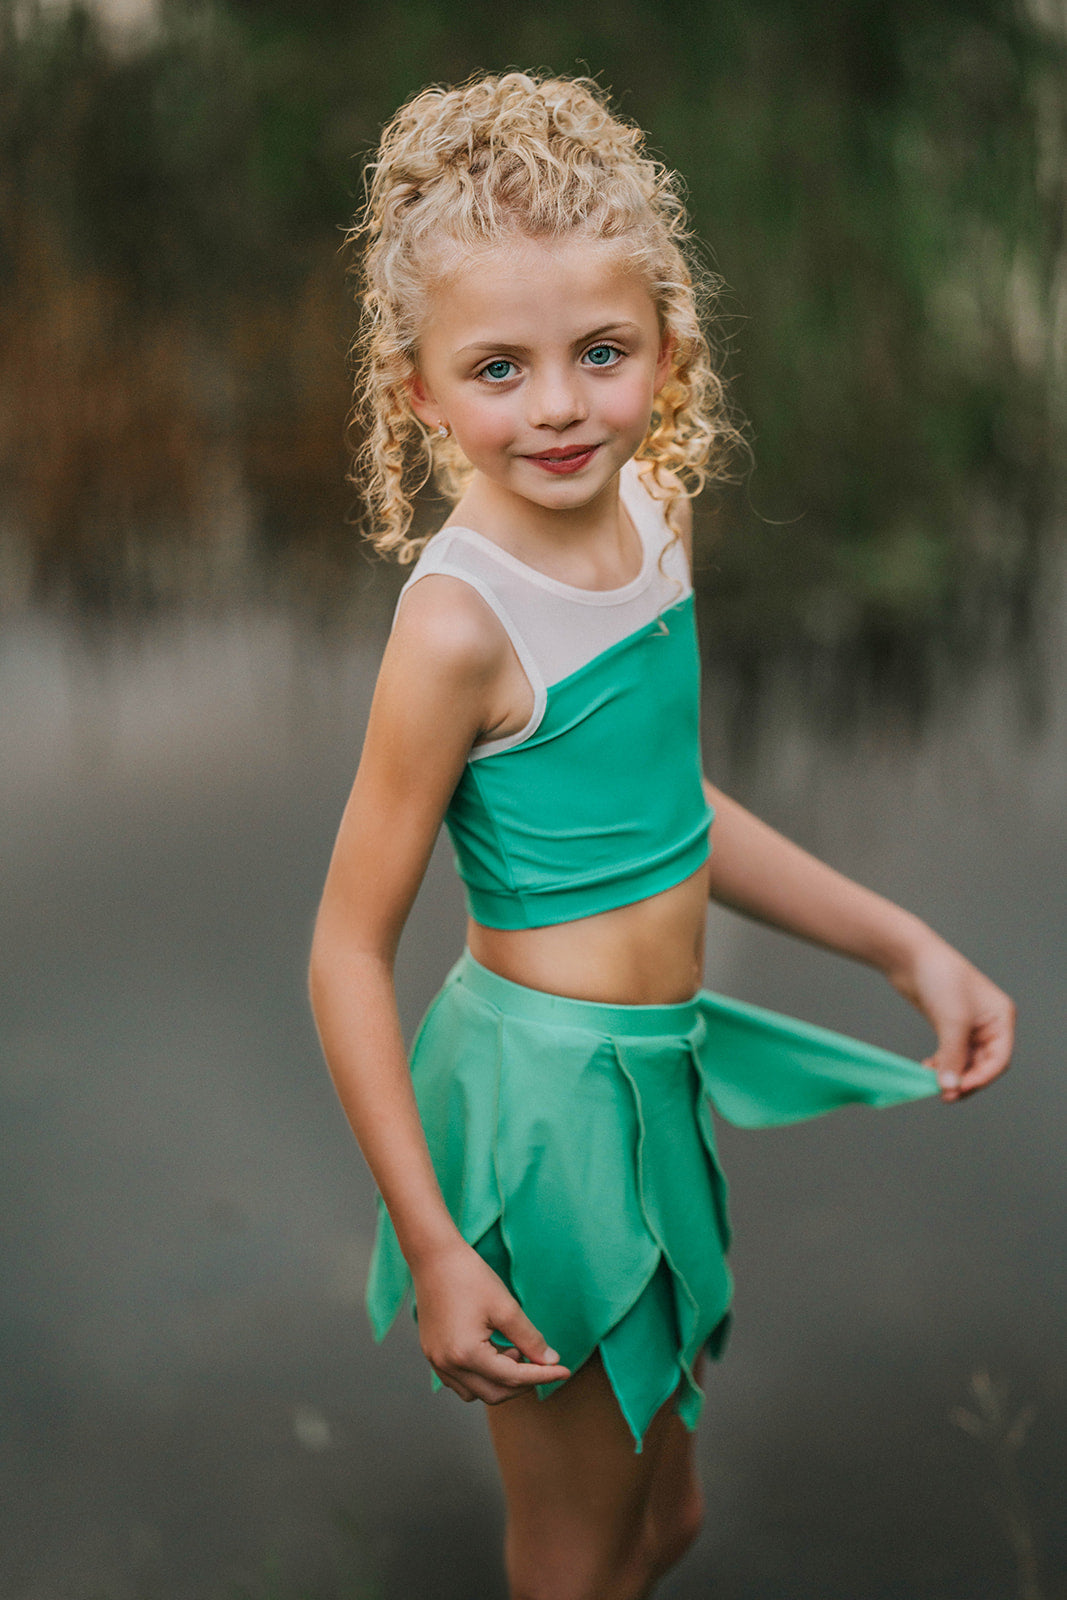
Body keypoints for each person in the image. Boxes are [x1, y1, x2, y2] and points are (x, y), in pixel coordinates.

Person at [308, 71, 1015, 1600]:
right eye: (498, 368)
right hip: (544, 1120)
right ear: (417, 388)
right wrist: (434, 1245)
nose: (558, 404)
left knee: (666, 1527)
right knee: (576, 1566)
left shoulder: (652, 519)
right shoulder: (455, 630)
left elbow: (670, 815)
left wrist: (907, 943)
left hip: (657, 1079)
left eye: (600, 353)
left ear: (666, 350)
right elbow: (345, 954)